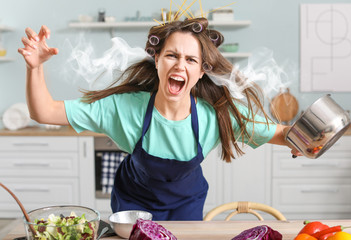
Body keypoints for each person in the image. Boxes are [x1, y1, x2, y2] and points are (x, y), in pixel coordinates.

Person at [19, 17, 300, 221]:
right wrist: (35, 68)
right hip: (133, 204)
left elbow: (279, 133)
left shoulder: (215, 116)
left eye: (191, 60)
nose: (180, 65)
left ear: (202, 72)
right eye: (171, 55)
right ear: (157, 60)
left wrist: (303, 140)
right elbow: (44, 111)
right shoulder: (124, 109)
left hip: (186, 206)